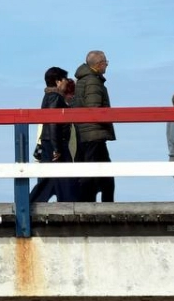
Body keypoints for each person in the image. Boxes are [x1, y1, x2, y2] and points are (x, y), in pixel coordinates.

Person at [74, 50, 116, 203]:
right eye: (106, 62)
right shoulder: (93, 81)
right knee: (97, 174)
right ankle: (94, 205)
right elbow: (94, 109)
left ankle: (95, 204)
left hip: (88, 133)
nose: (107, 65)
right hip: (93, 133)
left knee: (101, 174)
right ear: (99, 64)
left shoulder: (84, 80)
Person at [29, 67, 76, 203]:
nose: (66, 82)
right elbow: (53, 122)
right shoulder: (55, 97)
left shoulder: (49, 96)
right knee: (62, 178)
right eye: (65, 79)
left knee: (51, 179)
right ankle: (31, 204)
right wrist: (56, 148)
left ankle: (31, 204)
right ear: (58, 82)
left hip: (50, 141)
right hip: (55, 142)